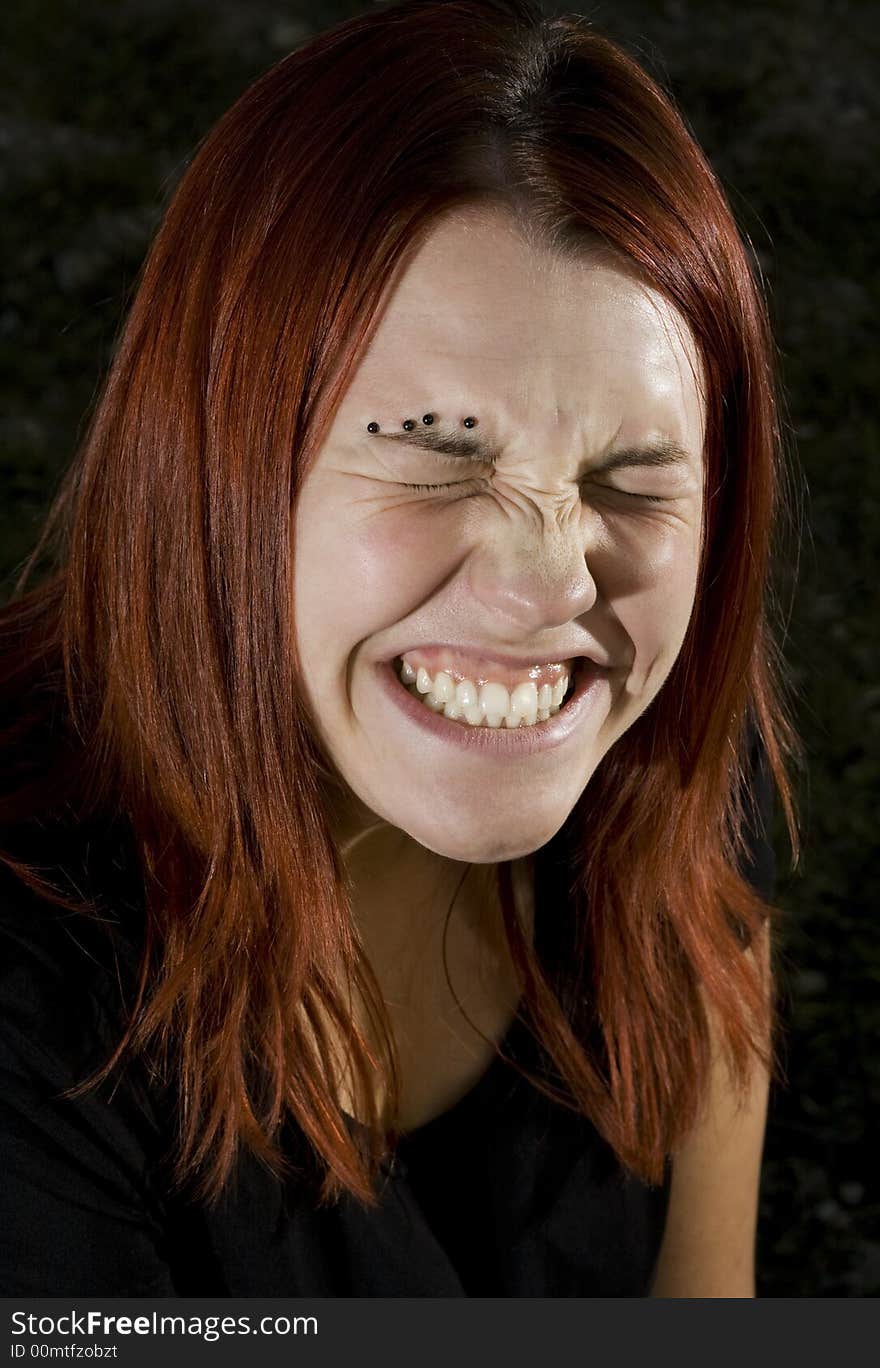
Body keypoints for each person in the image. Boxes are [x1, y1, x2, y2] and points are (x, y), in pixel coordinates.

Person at [0, 0, 802, 1297]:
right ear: (213, 461)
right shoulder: (32, 996)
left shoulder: (676, 784)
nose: (552, 583)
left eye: (636, 476)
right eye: (437, 451)